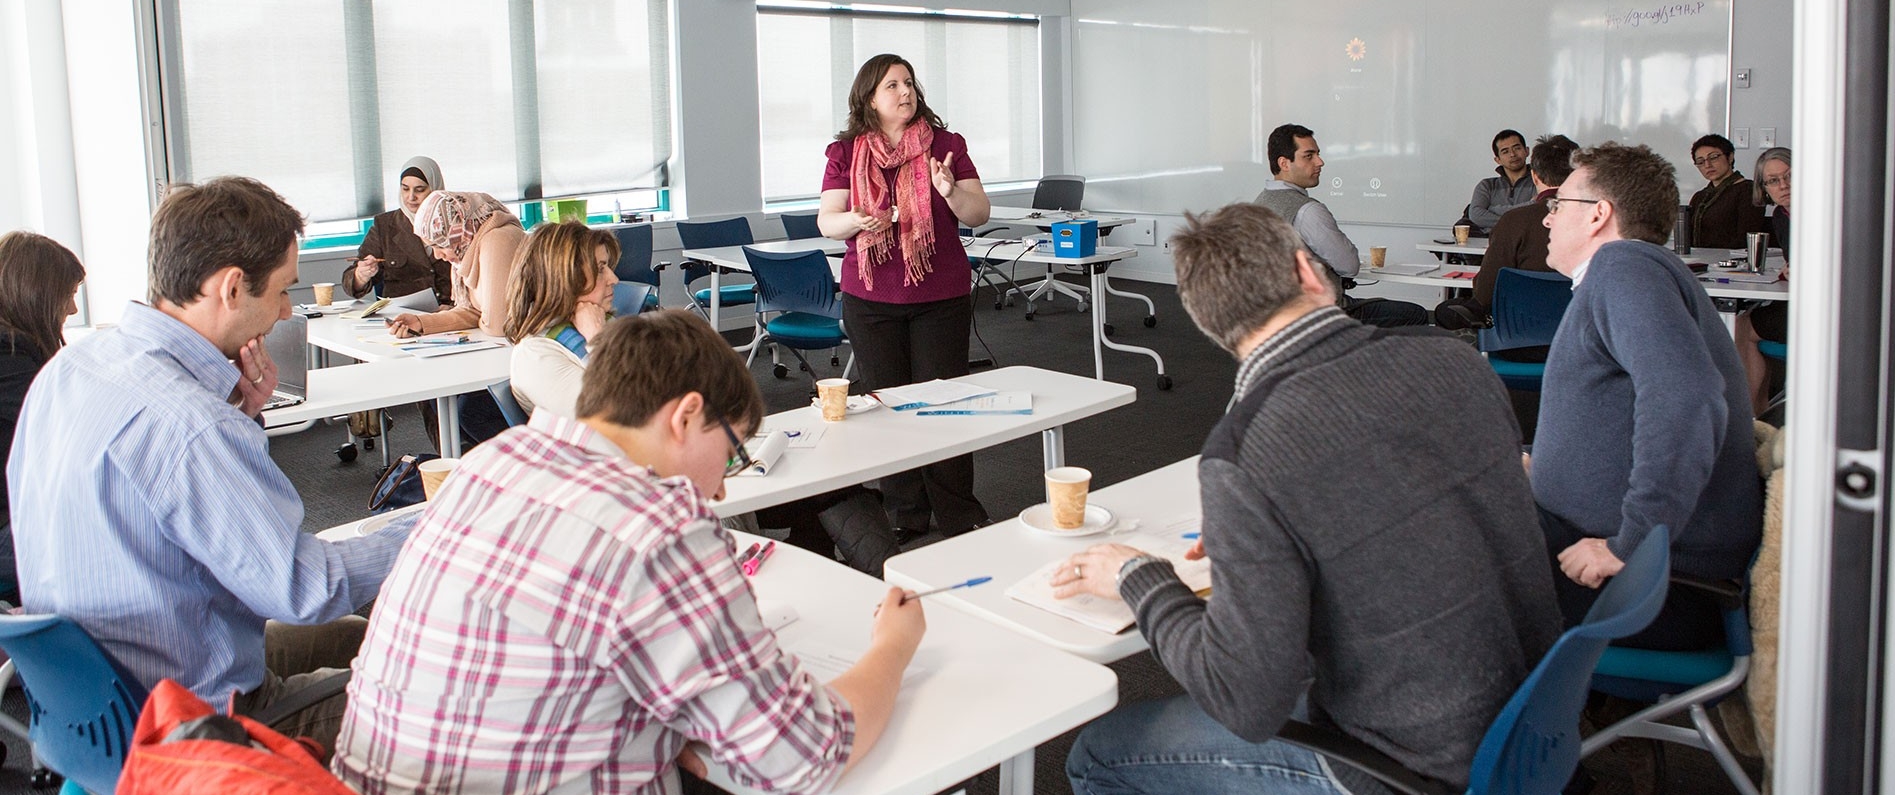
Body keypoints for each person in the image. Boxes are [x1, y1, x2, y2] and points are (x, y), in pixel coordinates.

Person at [1058, 202, 1560, 795]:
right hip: (1535, 718)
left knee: (1097, 754)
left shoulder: (1246, 453)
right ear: (1308, 269)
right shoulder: (1458, 362)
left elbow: (1245, 703)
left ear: (1210, 324)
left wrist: (1138, 576)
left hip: (1413, 764)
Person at [332, 310, 926, 794]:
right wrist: (893, 647)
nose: (722, 487)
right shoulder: (659, 528)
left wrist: (666, 735)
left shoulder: (493, 461)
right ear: (687, 415)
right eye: (731, 453)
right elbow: (805, 755)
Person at [9, 177, 411, 753]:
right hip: (197, 726)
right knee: (426, 686)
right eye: (279, 292)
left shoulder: (74, 367)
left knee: (353, 638)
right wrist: (433, 527)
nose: (282, 312)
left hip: (100, 696)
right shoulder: (192, 424)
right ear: (229, 288)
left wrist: (244, 415)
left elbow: (199, 520)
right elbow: (307, 589)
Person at [1533, 142, 1763, 651]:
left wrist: (1629, 545)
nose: (1547, 220)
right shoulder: (1638, 272)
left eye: (1557, 205)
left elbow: (1689, 398)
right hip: (1645, 570)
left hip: (1649, 589)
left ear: (1598, 214)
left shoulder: (1624, 267)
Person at [816, 53, 992, 539]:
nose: (905, 91)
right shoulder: (846, 152)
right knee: (889, 409)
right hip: (871, 298)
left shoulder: (946, 145)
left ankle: (959, 512)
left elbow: (978, 213)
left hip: (939, 294)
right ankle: (907, 517)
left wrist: (951, 191)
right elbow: (828, 220)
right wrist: (856, 220)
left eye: (909, 82)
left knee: (945, 407)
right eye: (892, 85)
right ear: (869, 97)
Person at [1254, 123, 1428, 328]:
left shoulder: (1258, 204)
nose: (1320, 162)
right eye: (1308, 156)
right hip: (1320, 316)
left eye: (1318, 154)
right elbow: (1349, 266)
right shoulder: (1308, 211)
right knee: (1416, 314)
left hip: (1274, 316)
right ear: (1284, 163)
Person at [0, 232, 85, 605]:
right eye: (68, 294)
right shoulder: (11, 360)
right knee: (109, 536)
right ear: (38, 295)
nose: (73, 310)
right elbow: (72, 437)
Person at [1436, 134, 1580, 339]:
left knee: (1448, 310)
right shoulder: (1599, 219)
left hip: (1517, 340)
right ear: (1578, 173)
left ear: (1535, 176)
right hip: (1578, 342)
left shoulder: (1513, 222)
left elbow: (1484, 295)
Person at [502, 221, 619, 417]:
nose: (614, 279)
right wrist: (598, 340)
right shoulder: (534, 356)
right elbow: (614, 418)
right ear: (565, 279)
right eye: (600, 269)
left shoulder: (599, 320)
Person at [387, 190, 524, 339]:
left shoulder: (497, 240)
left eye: (440, 245)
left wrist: (483, 320)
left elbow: (498, 326)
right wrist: (421, 322)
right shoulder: (466, 244)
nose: (437, 255)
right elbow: (473, 311)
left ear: (461, 231)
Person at [341, 156, 454, 305]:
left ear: (435, 188)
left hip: (452, 314)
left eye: (419, 190)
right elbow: (350, 286)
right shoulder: (385, 226)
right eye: (405, 188)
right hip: (401, 316)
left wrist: (457, 311)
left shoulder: (456, 222)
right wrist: (361, 276)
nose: (411, 197)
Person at [1735, 146, 1792, 413]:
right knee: (1745, 320)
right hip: (1804, 301)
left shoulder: (1826, 210)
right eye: (1773, 181)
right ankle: (1759, 417)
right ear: (1765, 187)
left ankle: (1751, 421)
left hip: (1840, 310)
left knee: (1744, 329)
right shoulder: (1781, 216)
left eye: (1790, 176)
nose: (1784, 185)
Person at [1685, 133, 1768, 249]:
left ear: (1730, 157)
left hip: (1731, 262)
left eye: (1713, 157)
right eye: (1700, 161)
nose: (1707, 165)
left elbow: (1746, 239)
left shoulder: (1748, 190)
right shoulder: (1699, 196)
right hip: (1698, 260)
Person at [1466, 129, 1537, 233]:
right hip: (1491, 245)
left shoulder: (1540, 181)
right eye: (1505, 151)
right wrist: (1516, 220)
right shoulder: (1487, 185)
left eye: (1517, 148)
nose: (1512, 154)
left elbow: (1536, 210)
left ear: (1527, 151)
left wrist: (1493, 209)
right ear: (1497, 160)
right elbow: (1476, 215)